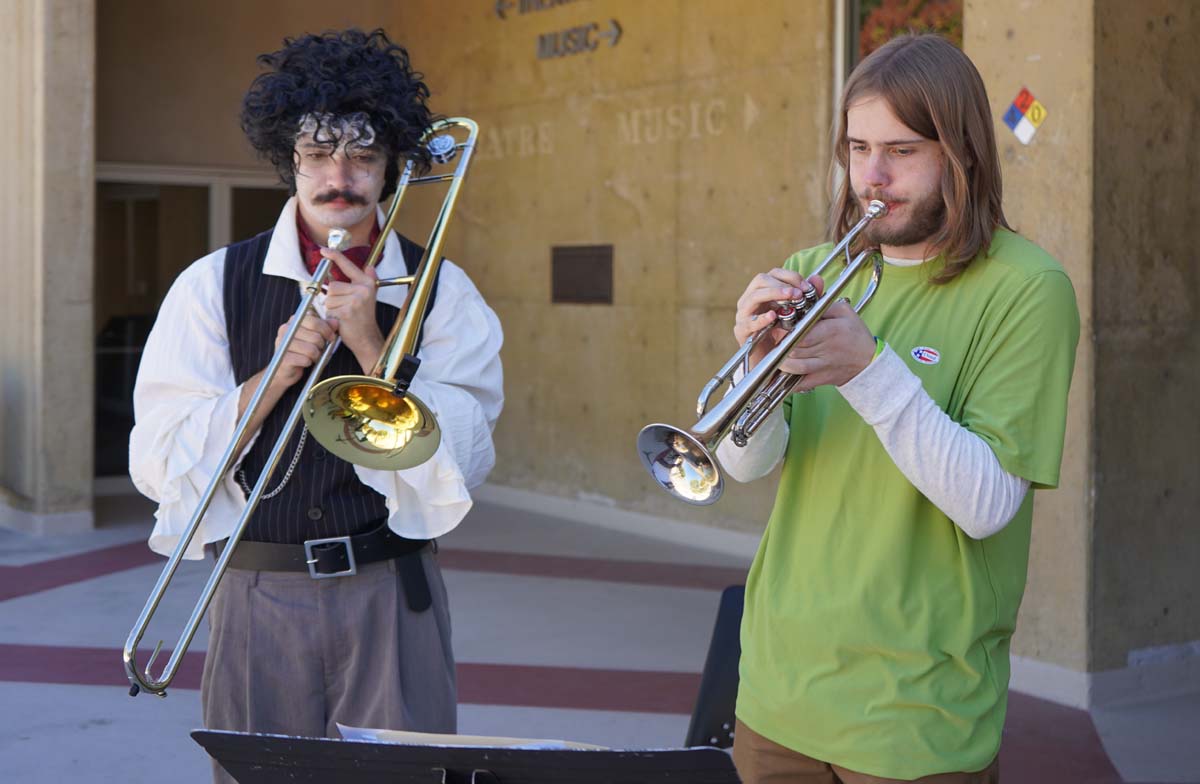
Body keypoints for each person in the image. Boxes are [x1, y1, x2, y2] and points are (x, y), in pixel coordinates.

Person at [129, 28, 503, 782]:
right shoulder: (210, 284)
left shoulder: (444, 290)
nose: (341, 176)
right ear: (288, 162)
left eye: (364, 156)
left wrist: (373, 345)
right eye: (319, 154)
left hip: (391, 592)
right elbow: (155, 459)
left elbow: (467, 459)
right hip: (255, 590)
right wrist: (272, 376)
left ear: (392, 166)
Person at [716, 34, 1079, 783]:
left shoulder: (1028, 289)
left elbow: (986, 504)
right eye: (857, 147)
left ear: (964, 153)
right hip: (778, 692)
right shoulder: (818, 270)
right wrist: (750, 375)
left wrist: (869, 371)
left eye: (902, 151)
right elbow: (744, 465)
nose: (871, 178)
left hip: (920, 714)